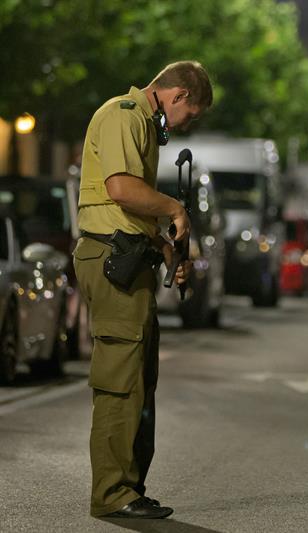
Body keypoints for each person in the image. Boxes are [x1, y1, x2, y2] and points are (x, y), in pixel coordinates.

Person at [72, 61, 212, 520]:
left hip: (130, 260)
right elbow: (121, 190)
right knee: (120, 381)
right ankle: (112, 493)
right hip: (111, 260)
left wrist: (170, 252)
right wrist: (174, 208)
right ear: (175, 96)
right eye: (189, 114)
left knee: (138, 382)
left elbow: (135, 211)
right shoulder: (124, 114)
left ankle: (129, 488)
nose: (187, 124)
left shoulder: (142, 126)